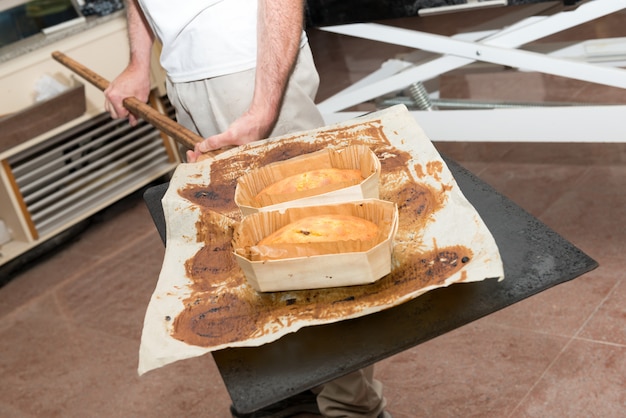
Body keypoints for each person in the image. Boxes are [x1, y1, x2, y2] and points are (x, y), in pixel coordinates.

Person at [104, 1, 390, 417]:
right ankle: (298, 388)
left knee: (319, 252)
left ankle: (351, 407)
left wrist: (263, 106)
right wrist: (139, 61)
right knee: (252, 248)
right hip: (184, 77)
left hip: (248, 68)